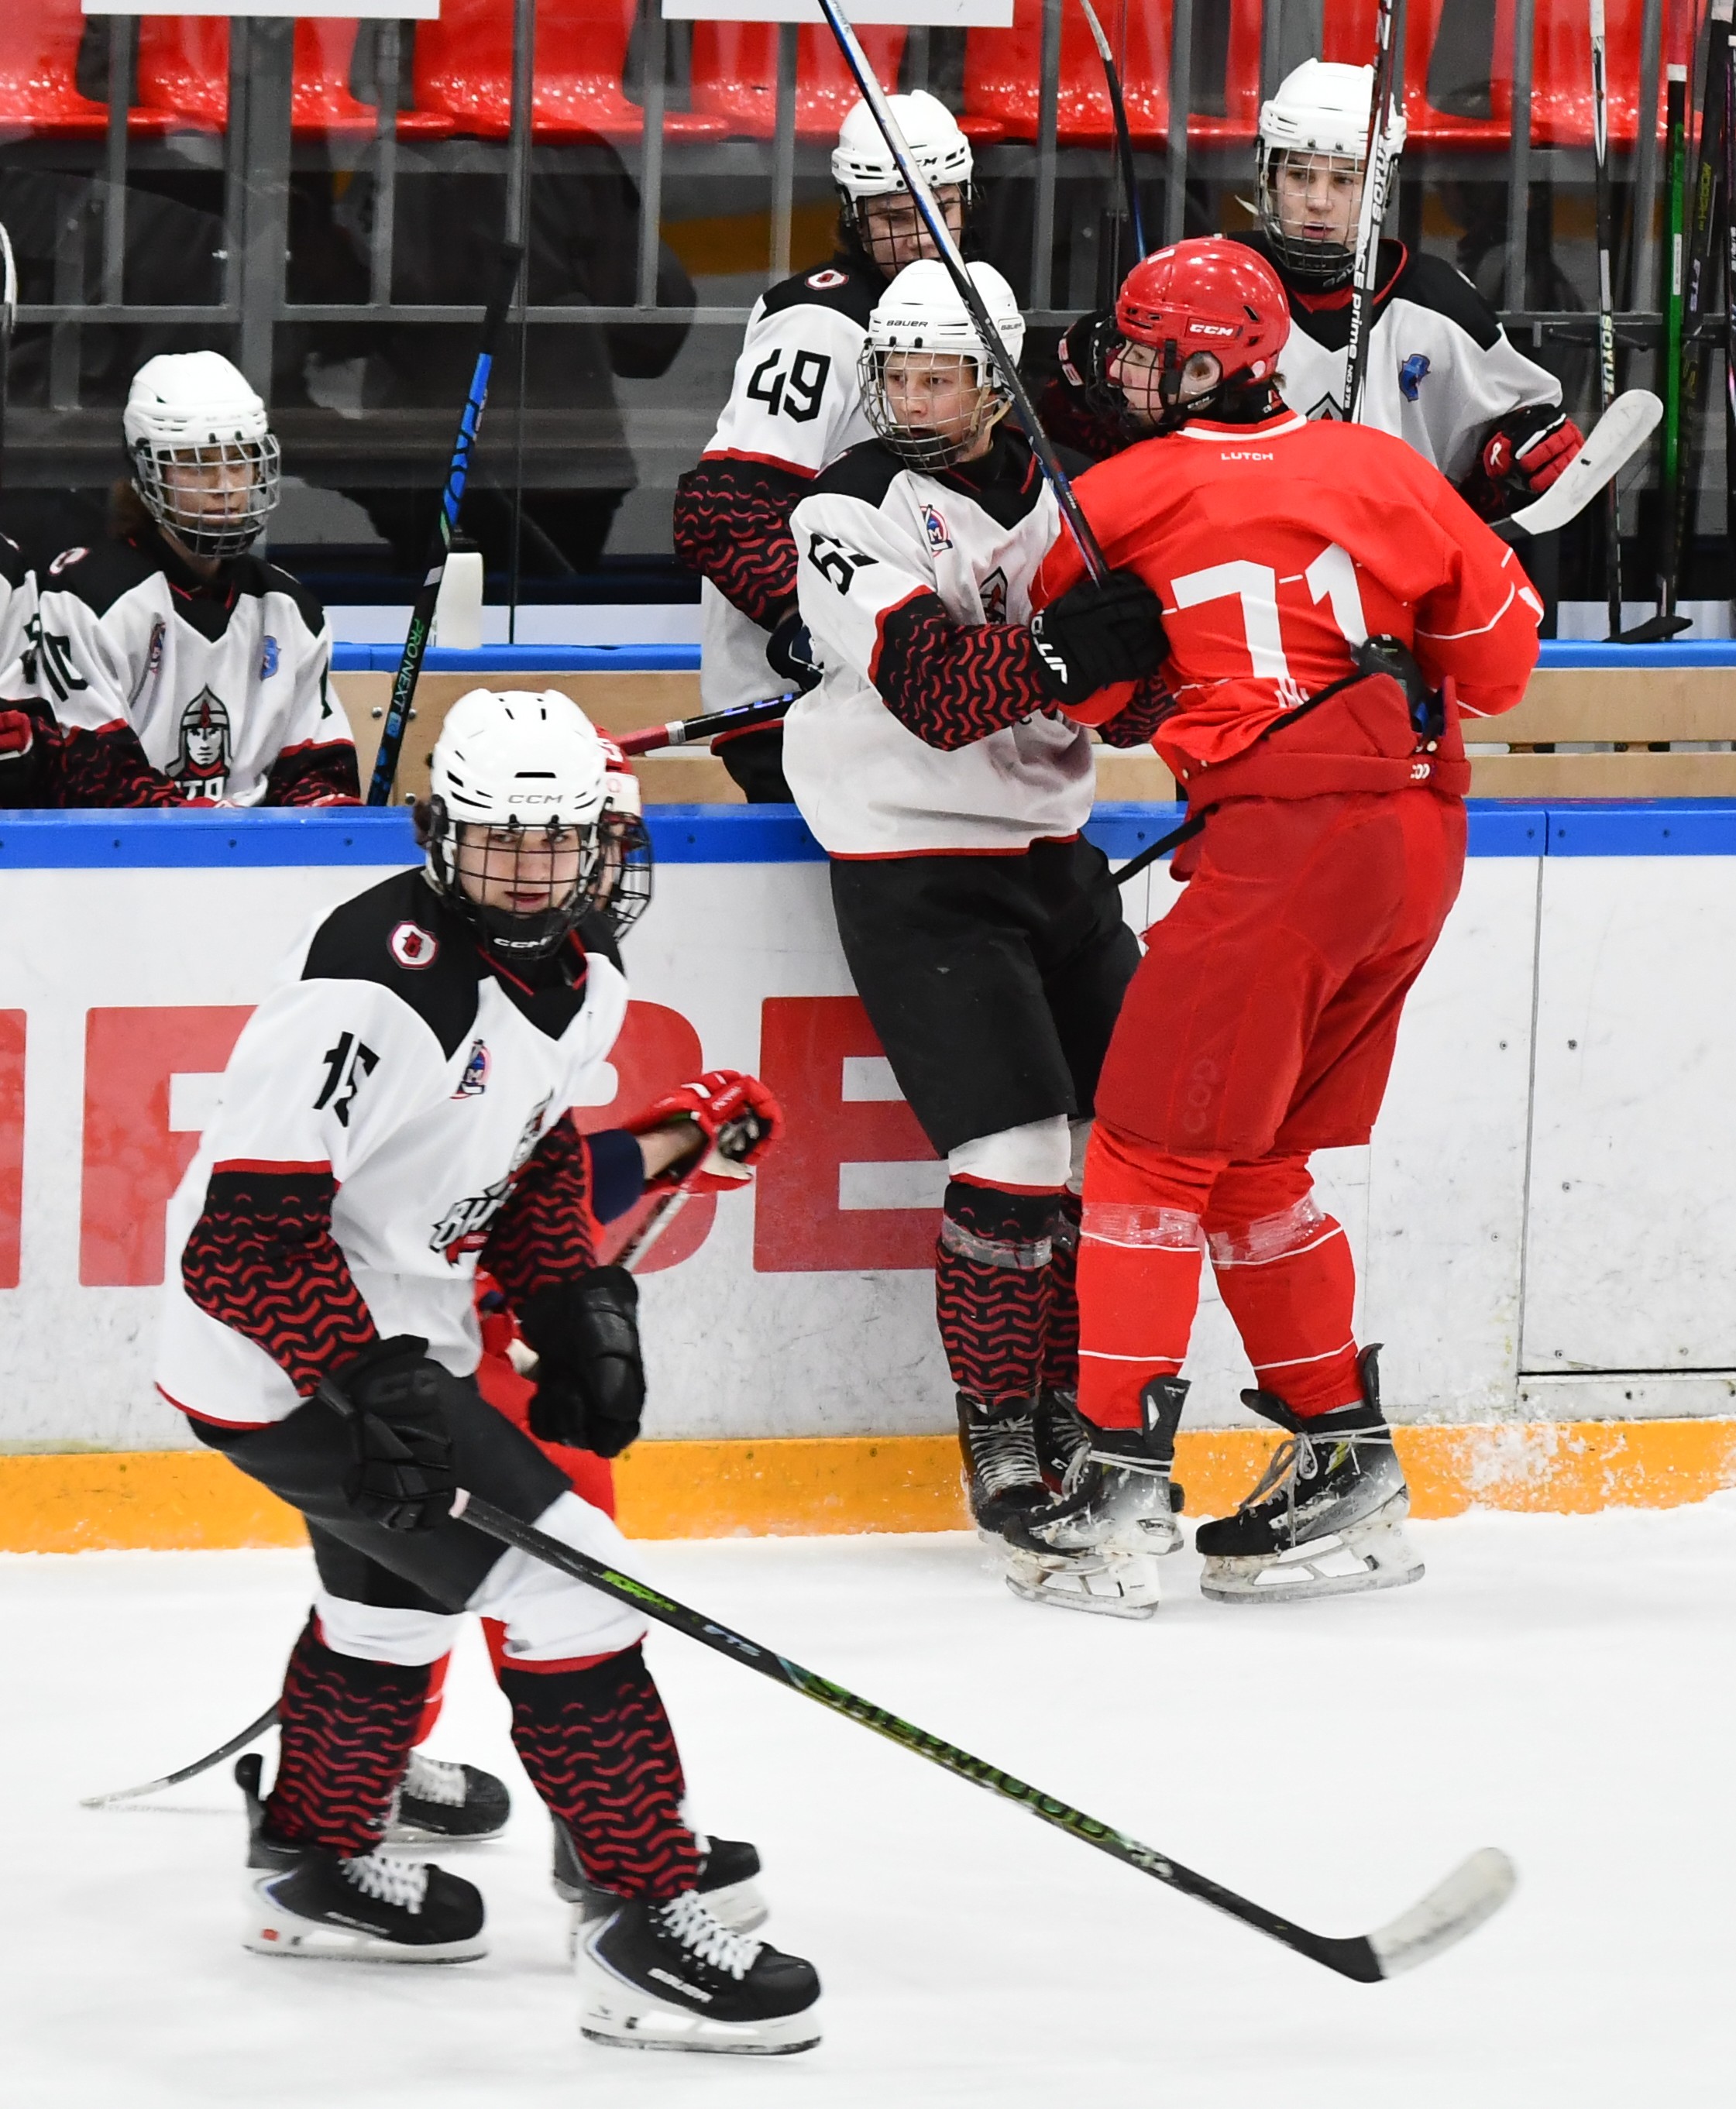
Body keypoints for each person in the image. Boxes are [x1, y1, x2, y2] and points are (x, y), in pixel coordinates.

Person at [153, 688, 820, 2056]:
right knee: (575, 1585)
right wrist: (369, 1384)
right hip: (282, 1359)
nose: (526, 869)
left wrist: (570, 1297)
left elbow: (530, 1148)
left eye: (554, 840)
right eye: (495, 840)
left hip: (384, 1342)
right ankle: (643, 1921)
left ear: (598, 844)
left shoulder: (583, 970)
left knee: (391, 1603)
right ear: (438, 834)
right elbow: (241, 1244)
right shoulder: (374, 985)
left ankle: (314, 1859)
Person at [1020, 238, 1542, 1616]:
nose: (1122, 372)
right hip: (1411, 846)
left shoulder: (1109, 500)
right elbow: (1499, 669)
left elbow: (1078, 692)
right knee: (1252, 1162)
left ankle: (1116, 1483)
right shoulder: (1383, 467)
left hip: (1282, 848)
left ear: (1208, 363)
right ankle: (1344, 1463)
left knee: (1143, 1149)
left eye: (1146, 351)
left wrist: (1109, 659)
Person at [783, 258, 1170, 1600]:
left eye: (938, 376)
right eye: (894, 374)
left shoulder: (1079, 491)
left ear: (999, 381)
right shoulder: (844, 506)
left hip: (1055, 853)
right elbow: (937, 690)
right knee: (1013, 1153)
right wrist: (1068, 652)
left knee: (1125, 1149)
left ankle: (1075, 1404)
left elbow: (1130, 709)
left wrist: (1132, 662)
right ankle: (1001, 1429)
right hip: (914, 858)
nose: (911, 398)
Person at [1045, 60, 1583, 522]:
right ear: (1268, 177)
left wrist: (1521, 447)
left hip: (1389, 573)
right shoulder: (1199, 280)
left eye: (1344, 180)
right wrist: (1094, 382)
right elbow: (1084, 428)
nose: (1319, 201)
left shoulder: (1440, 302)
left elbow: (1501, 459)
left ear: (1379, 187)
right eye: (1301, 177)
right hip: (1222, 562)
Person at [672, 91, 978, 801]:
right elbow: (726, 511)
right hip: (792, 706)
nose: (924, 236)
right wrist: (805, 623)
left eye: (941, 208)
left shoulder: (958, 311)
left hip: (894, 693)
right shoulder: (819, 321)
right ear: (851, 213)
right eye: (895, 218)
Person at [21, 352, 358, 807]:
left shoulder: (291, 609)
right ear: (149, 472)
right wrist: (217, 831)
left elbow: (322, 773)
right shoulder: (88, 598)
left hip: (255, 850)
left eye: (238, 462)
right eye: (198, 465)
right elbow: (94, 778)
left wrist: (320, 821)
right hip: (126, 853)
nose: (225, 486)